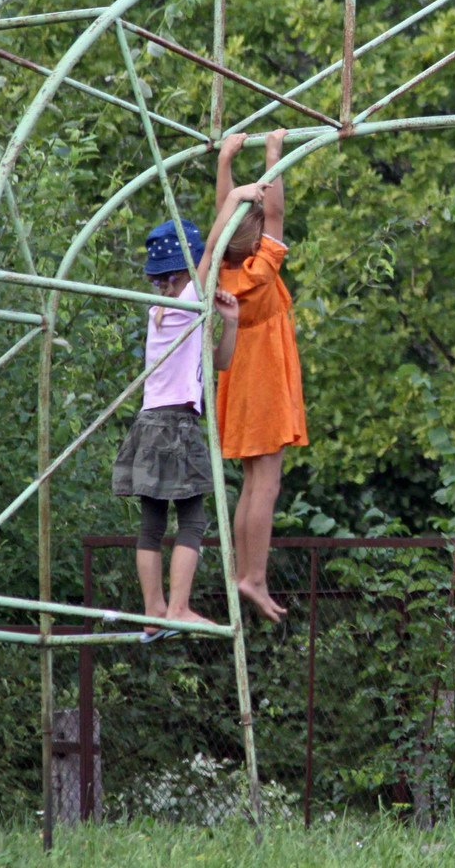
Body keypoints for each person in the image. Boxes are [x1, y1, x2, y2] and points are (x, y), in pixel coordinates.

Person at [112, 217, 254, 642]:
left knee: (152, 525)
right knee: (193, 519)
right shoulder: (189, 296)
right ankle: (178, 608)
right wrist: (234, 185)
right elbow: (213, 245)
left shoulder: (164, 312)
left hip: (150, 424)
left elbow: (220, 362)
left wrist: (230, 322)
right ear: (186, 272)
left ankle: (154, 612)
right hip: (175, 424)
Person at [198, 128, 308, 622]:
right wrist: (272, 154)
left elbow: (226, 221)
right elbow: (278, 214)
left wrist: (226, 163)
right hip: (264, 377)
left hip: (237, 377)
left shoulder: (221, 273)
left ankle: (246, 571)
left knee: (251, 480)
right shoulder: (262, 271)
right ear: (257, 239)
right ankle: (253, 576)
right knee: (266, 484)